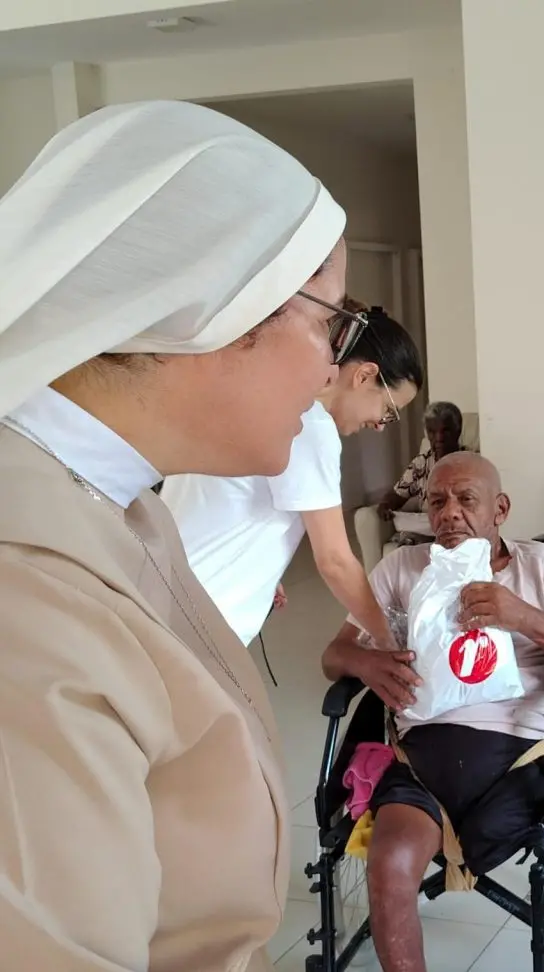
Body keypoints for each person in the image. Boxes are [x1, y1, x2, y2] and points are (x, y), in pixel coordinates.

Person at [0, 100, 352, 971]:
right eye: (327, 321)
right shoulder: (25, 604)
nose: (332, 367)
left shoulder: (124, 503)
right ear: (209, 307)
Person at [321, 452, 544, 972]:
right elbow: (333, 655)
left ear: (500, 508)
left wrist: (522, 616)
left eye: (466, 499)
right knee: (389, 862)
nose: (450, 513)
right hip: (420, 762)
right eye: (437, 501)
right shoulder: (401, 569)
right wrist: (367, 663)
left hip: (519, 763)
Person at [160, 306, 423, 652]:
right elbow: (335, 561)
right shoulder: (311, 426)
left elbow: (223, 497)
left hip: (161, 595)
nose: (379, 424)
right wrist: (392, 641)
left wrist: (265, 567)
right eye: (389, 410)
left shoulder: (268, 396)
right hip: (200, 624)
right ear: (364, 375)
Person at [376, 400, 465, 520]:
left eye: (446, 431)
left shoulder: (470, 464)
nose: (439, 438)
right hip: (425, 529)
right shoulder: (420, 463)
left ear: (457, 431)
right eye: (432, 432)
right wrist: (385, 506)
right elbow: (398, 494)